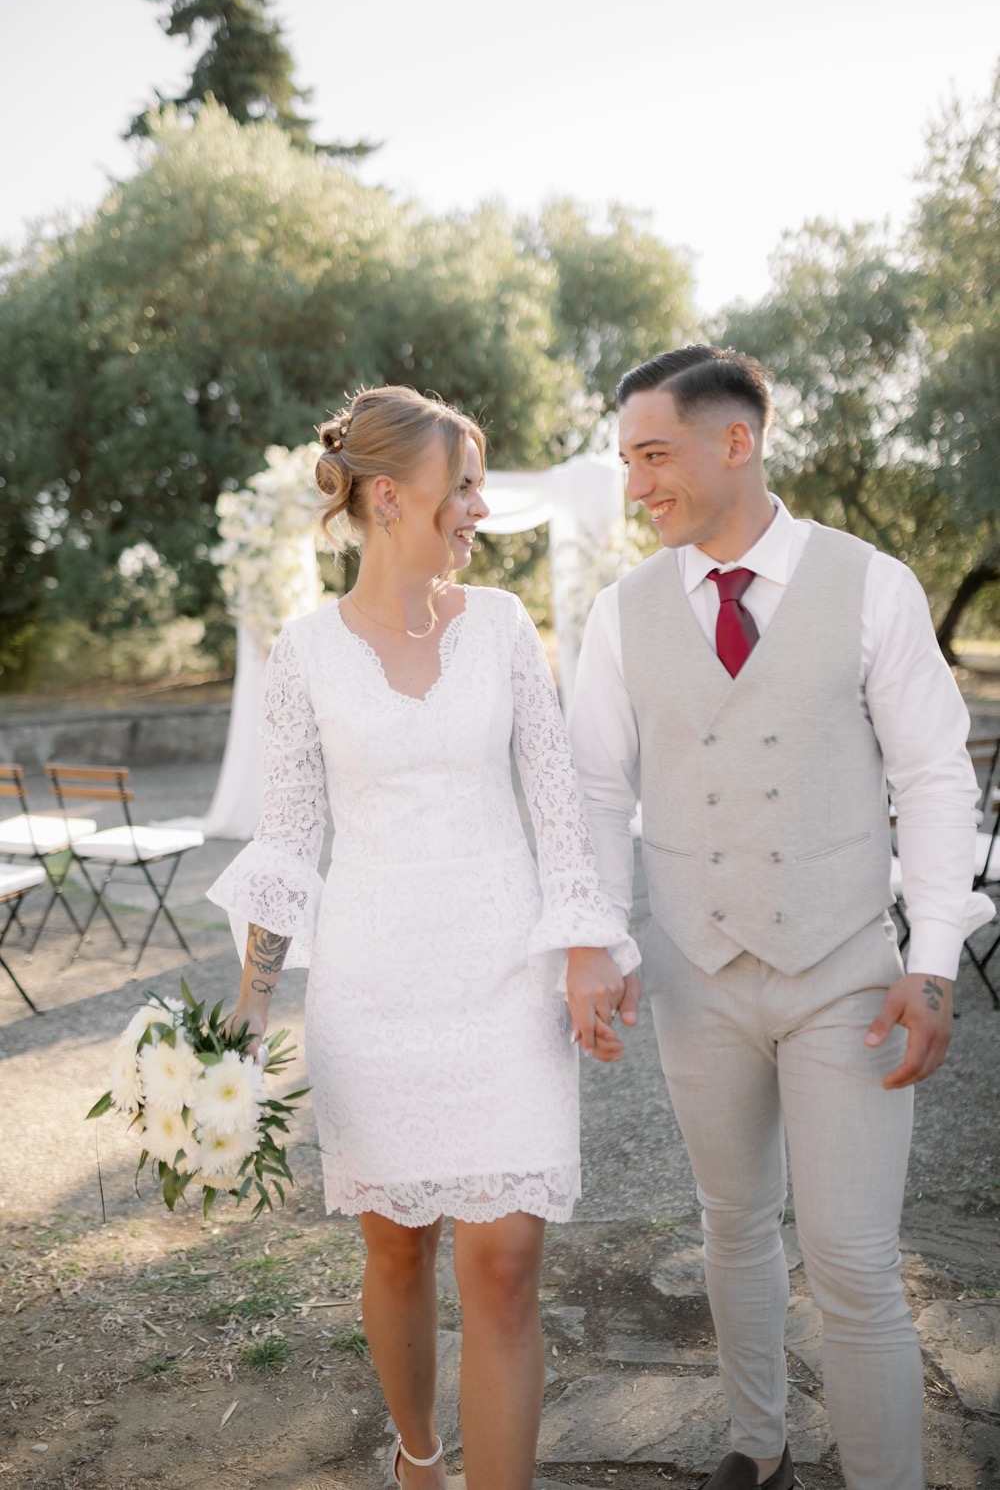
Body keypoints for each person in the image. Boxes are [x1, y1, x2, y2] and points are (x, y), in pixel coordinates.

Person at [567, 346, 994, 1490]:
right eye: (626, 461)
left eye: (652, 455)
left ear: (735, 442)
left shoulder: (872, 584)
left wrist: (933, 962)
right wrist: (600, 941)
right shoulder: (619, 615)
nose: (635, 486)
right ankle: (758, 1448)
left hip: (847, 976)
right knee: (731, 1222)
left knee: (852, 1260)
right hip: (693, 974)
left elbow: (934, 778)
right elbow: (595, 791)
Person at [208, 385, 638, 1490]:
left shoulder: (502, 626)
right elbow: (289, 836)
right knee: (397, 1250)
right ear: (391, 496)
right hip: (372, 990)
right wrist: (250, 1006)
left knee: (504, 1269)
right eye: (465, 487)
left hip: (504, 982)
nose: (480, 509)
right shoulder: (305, 652)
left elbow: (558, 804)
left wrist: (585, 947)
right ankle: (418, 1458)